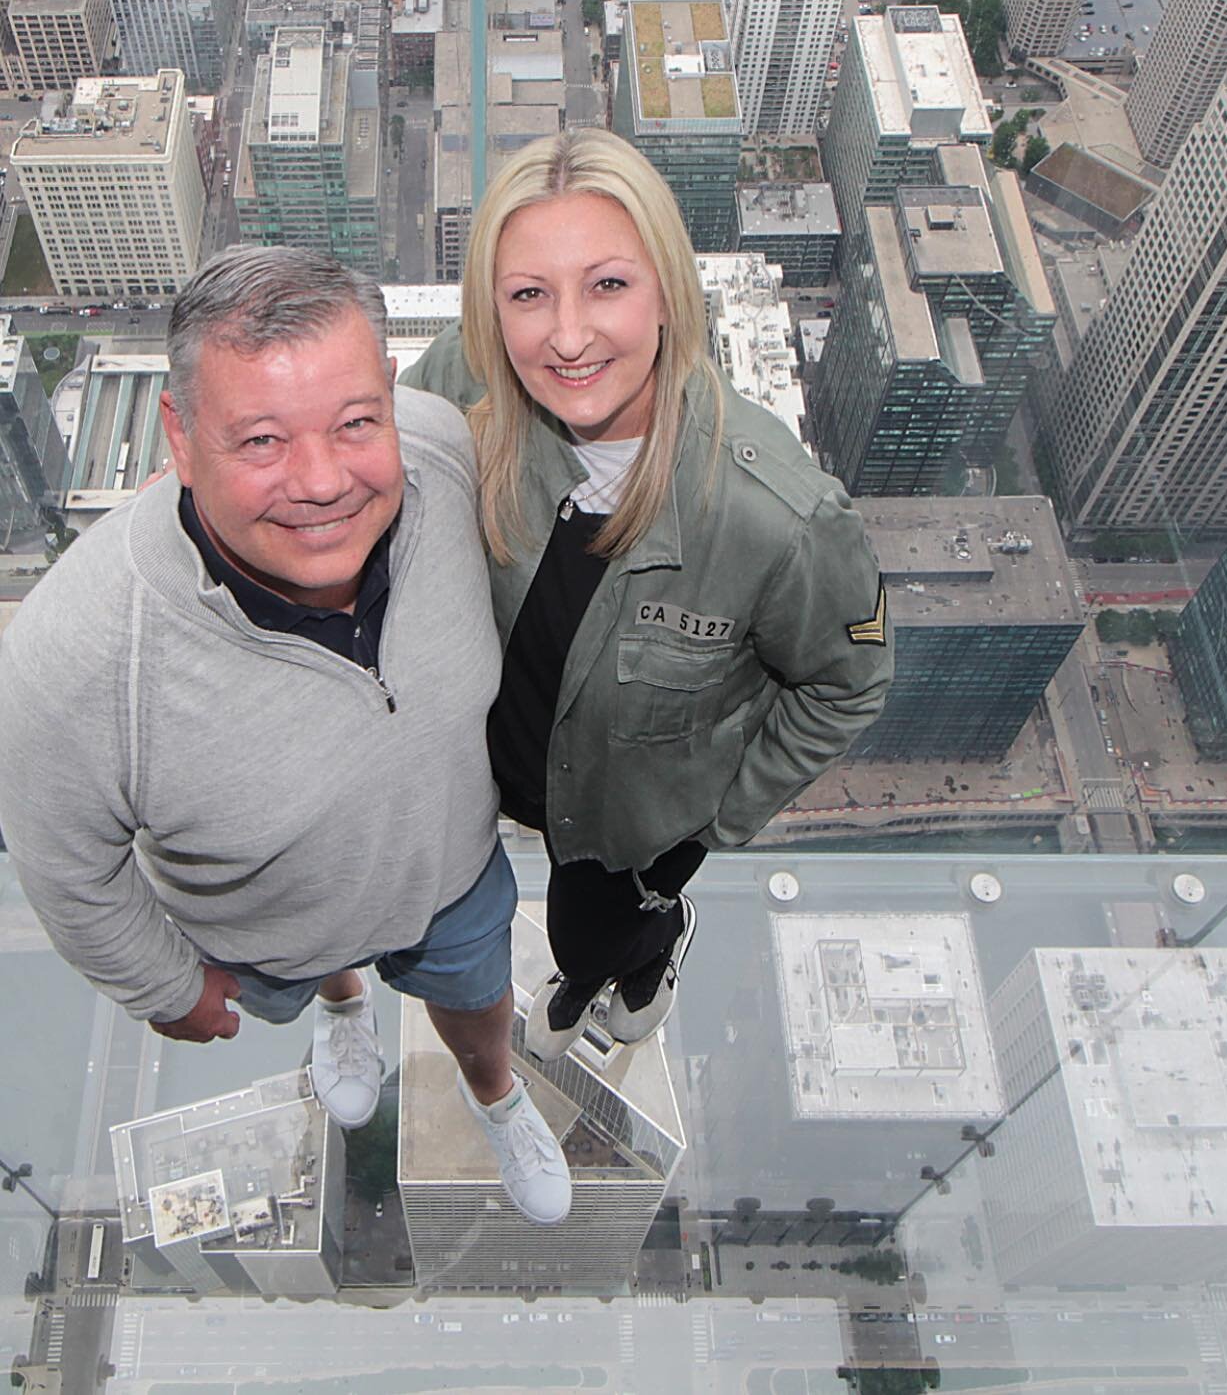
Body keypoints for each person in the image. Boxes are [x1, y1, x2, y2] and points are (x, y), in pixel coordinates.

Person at [0, 246, 571, 1227]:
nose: (321, 482)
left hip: (454, 874)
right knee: (320, 967)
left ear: (393, 400)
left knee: (480, 1008)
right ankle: (343, 1009)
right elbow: (61, 863)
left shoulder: (439, 457)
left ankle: (495, 1093)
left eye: (356, 422)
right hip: (266, 930)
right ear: (179, 436)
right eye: (261, 440)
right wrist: (166, 986)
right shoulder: (78, 656)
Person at [402, 129, 893, 1062]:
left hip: (633, 822)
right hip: (494, 769)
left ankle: (636, 959)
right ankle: (605, 961)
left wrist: (710, 820)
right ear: (491, 311)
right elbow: (369, 465)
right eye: (529, 296)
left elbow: (847, 684)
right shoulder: (464, 386)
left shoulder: (775, 518)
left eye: (609, 284)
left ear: (667, 291)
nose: (569, 335)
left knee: (586, 935)